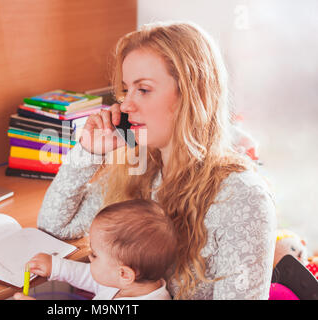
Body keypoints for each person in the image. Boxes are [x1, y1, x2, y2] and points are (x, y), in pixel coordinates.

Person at [36, 21, 277, 299]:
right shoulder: (140, 169)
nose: (126, 105)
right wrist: (89, 152)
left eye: (144, 89)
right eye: (126, 90)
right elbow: (56, 226)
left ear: (192, 95)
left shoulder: (242, 197)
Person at [15, 199, 176, 300]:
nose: (90, 259)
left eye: (94, 255)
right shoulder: (125, 282)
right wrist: (56, 266)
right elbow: (92, 276)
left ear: (124, 274)